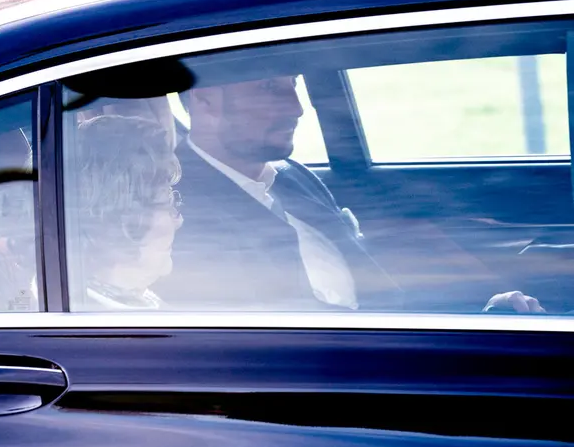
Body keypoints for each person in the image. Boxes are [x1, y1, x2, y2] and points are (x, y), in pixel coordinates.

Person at [151, 74, 543, 314]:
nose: (297, 108)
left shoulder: (292, 177)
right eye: (269, 88)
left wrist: (481, 315)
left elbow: (375, 291)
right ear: (204, 100)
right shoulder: (178, 210)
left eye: (294, 84)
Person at [67, 114, 183, 310]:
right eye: (165, 201)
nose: (178, 221)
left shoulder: (132, 305)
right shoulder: (112, 329)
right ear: (116, 219)